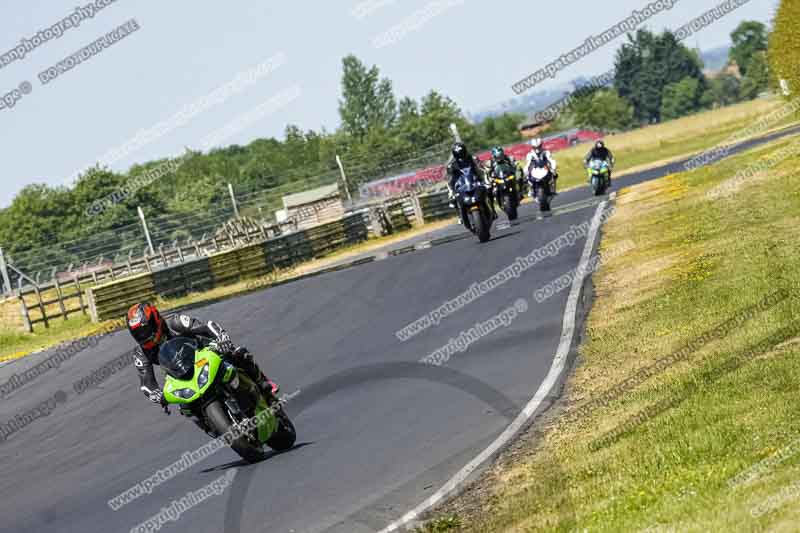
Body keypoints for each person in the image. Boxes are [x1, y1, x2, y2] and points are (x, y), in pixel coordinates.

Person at [127, 303, 279, 419]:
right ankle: (210, 424)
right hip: (179, 374)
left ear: (155, 320)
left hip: (204, 352)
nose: (143, 336)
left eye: (144, 330)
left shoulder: (175, 322)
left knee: (237, 354)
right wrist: (156, 395)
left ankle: (263, 383)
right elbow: (146, 383)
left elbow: (207, 326)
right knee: (184, 407)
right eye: (137, 334)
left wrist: (221, 338)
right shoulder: (141, 353)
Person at [446, 142, 496, 223]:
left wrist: (486, 180)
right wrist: (451, 190)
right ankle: (460, 216)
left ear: (465, 151)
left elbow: (481, 170)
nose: (461, 156)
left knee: (488, 189)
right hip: (461, 185)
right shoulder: (451, 165)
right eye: (458, 154)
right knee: (453, 198)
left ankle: (492, 209)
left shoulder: (473, 158)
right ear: (455, 154)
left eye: (462, 153)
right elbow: (450, 179)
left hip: (475, 181)